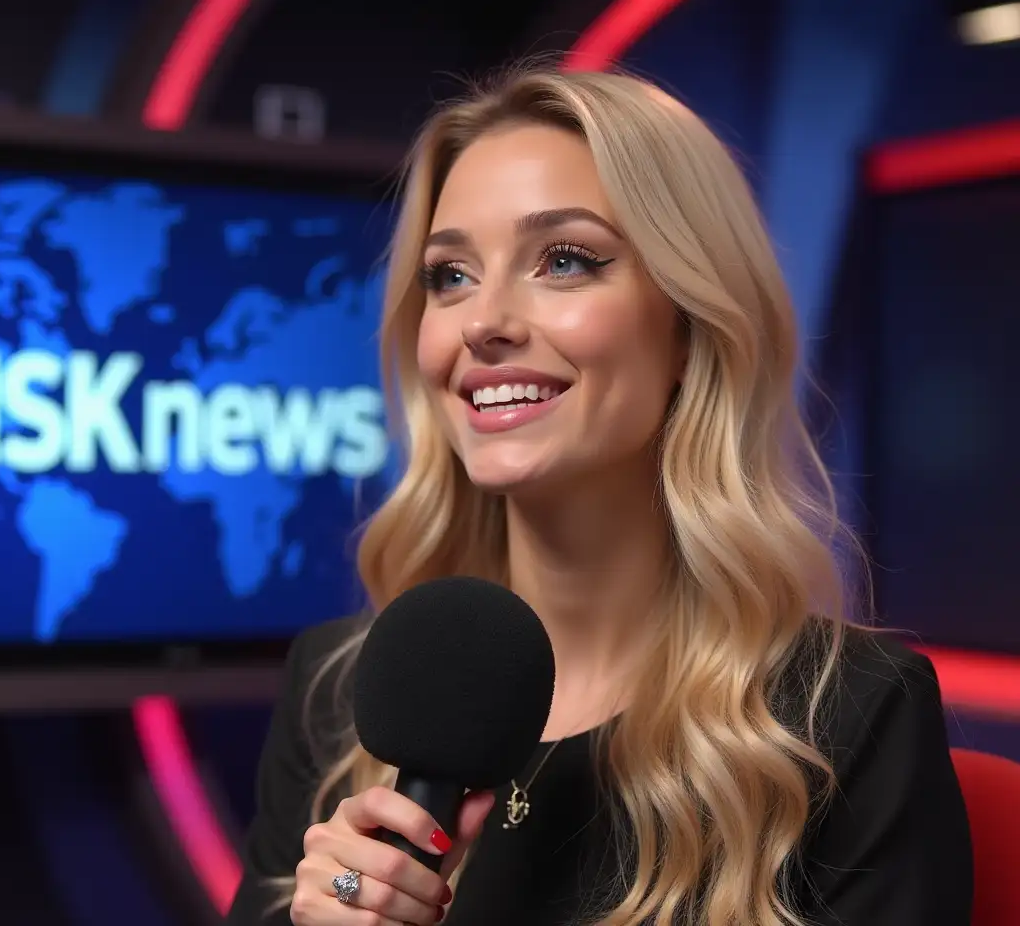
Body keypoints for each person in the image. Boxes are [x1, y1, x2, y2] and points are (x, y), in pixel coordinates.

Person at [226, 68, 973, 926]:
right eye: (450, 275)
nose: (483, 321)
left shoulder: (846, 717)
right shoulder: (336, 690)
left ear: (691, 326)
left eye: (566, 260)